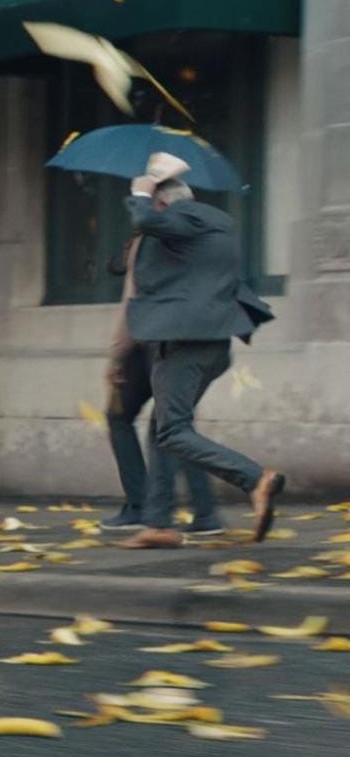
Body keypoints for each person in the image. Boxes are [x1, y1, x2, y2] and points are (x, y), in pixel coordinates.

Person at [119, 153, 283, 548]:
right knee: (164, 426)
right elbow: (122, 262)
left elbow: (146, 220)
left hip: (185, 344)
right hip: (207, 342)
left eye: (156, 203)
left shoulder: (187, 217)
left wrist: (140, 192)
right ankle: (158, 524)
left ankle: (254, 479)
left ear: (164, 203)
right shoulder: (206, 226)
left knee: (172, 429)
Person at [100, 234, 223, 539]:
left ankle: (144, 509)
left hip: (152, 343)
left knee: (135, 420)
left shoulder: (148, 240)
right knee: (171, 425)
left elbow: (131, 301)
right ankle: (204, 513)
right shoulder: (201, 241)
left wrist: (115, 357)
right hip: (188, 342)